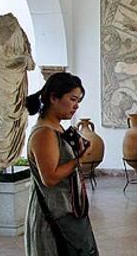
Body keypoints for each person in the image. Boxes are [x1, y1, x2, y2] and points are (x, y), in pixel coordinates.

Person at [24, 72, 99, 256]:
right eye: (72, 99)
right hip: (53, 215)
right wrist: (78, 159)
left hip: (66, 211)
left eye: (78, 100)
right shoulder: (44, 133)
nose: (76, 105)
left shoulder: (56, 127)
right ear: (54, 98)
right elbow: (49, 178)